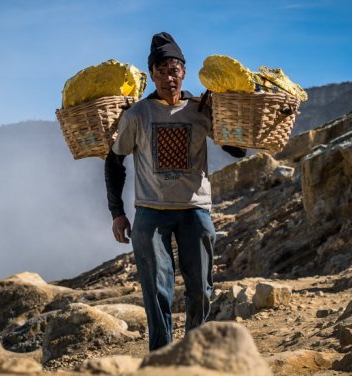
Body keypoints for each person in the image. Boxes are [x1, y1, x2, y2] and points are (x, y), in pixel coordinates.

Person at [105, 32, 245, 351]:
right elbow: (114, 161)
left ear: (184, 71)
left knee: (200, 288)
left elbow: (237, 151)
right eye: (162, 70)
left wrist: (222, 117)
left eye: (175, 69)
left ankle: (193, 350)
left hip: (194, 209)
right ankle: (161, 355)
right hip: (151, 211)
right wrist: (117, 213)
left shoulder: (200, 110)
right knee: (157, 288)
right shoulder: (138, 115)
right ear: (152, 73)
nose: (169, 77)